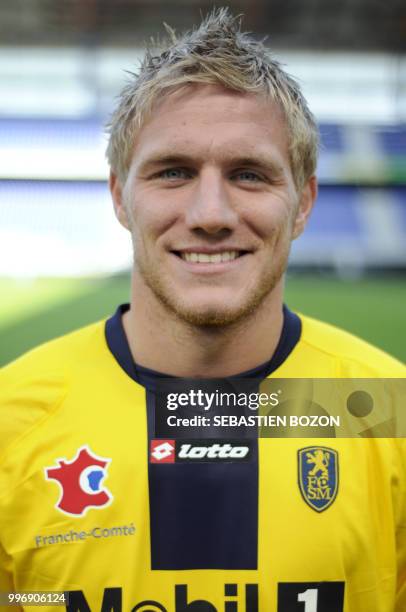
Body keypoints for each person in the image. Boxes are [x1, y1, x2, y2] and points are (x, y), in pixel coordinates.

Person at [0, 8, 405, 612]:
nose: (210, 214)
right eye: (173, 172)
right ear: (119, 196)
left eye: (248, 174)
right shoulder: (12, 419)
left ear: (303, 203)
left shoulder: (386, 409)